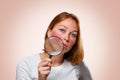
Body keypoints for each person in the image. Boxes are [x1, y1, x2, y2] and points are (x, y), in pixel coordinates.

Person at [16, 12, 92, 80]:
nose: (66, 38)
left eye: (73, 35)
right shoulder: (26, 64)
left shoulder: (78, 65)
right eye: (62, 30)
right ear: (49, 32)